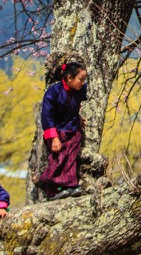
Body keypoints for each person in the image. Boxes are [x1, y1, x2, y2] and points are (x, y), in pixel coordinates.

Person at [38, 59, 88, 200]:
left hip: (72, 129)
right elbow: (47, 115)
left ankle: (70, 186)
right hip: (57, 131)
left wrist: (77, 117)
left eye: (84, 79)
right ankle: (53, 190)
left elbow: (76, 104)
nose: (83, 82)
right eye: (80, 79)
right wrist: (53, 137)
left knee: (71, 158)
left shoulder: (81, 90)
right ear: (69, 78)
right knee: (58, 159)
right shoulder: (53, 92)